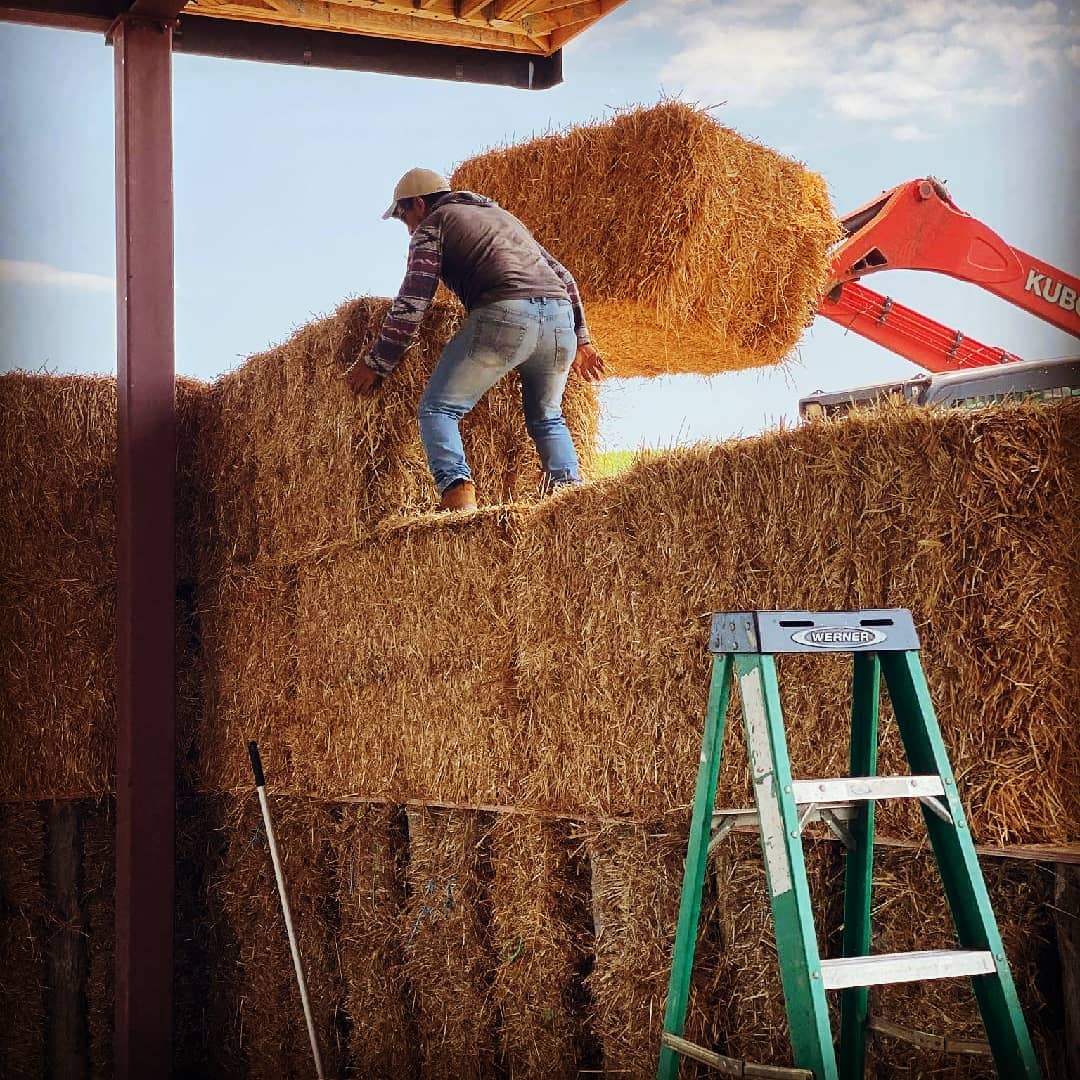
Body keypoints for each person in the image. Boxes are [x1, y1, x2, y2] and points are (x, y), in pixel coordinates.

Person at [346, 167, 605, 511]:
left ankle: (457, 493)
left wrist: (378, 362)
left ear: (419, 204)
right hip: (559, 322)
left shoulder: (432, 227)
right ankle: (570, 499)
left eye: (404, 216)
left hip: (506, 316)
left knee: (437, 409)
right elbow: (565, 277)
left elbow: (414, 300)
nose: (408, 228)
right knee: (547, 417)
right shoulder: (504, 218)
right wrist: (582, 340)